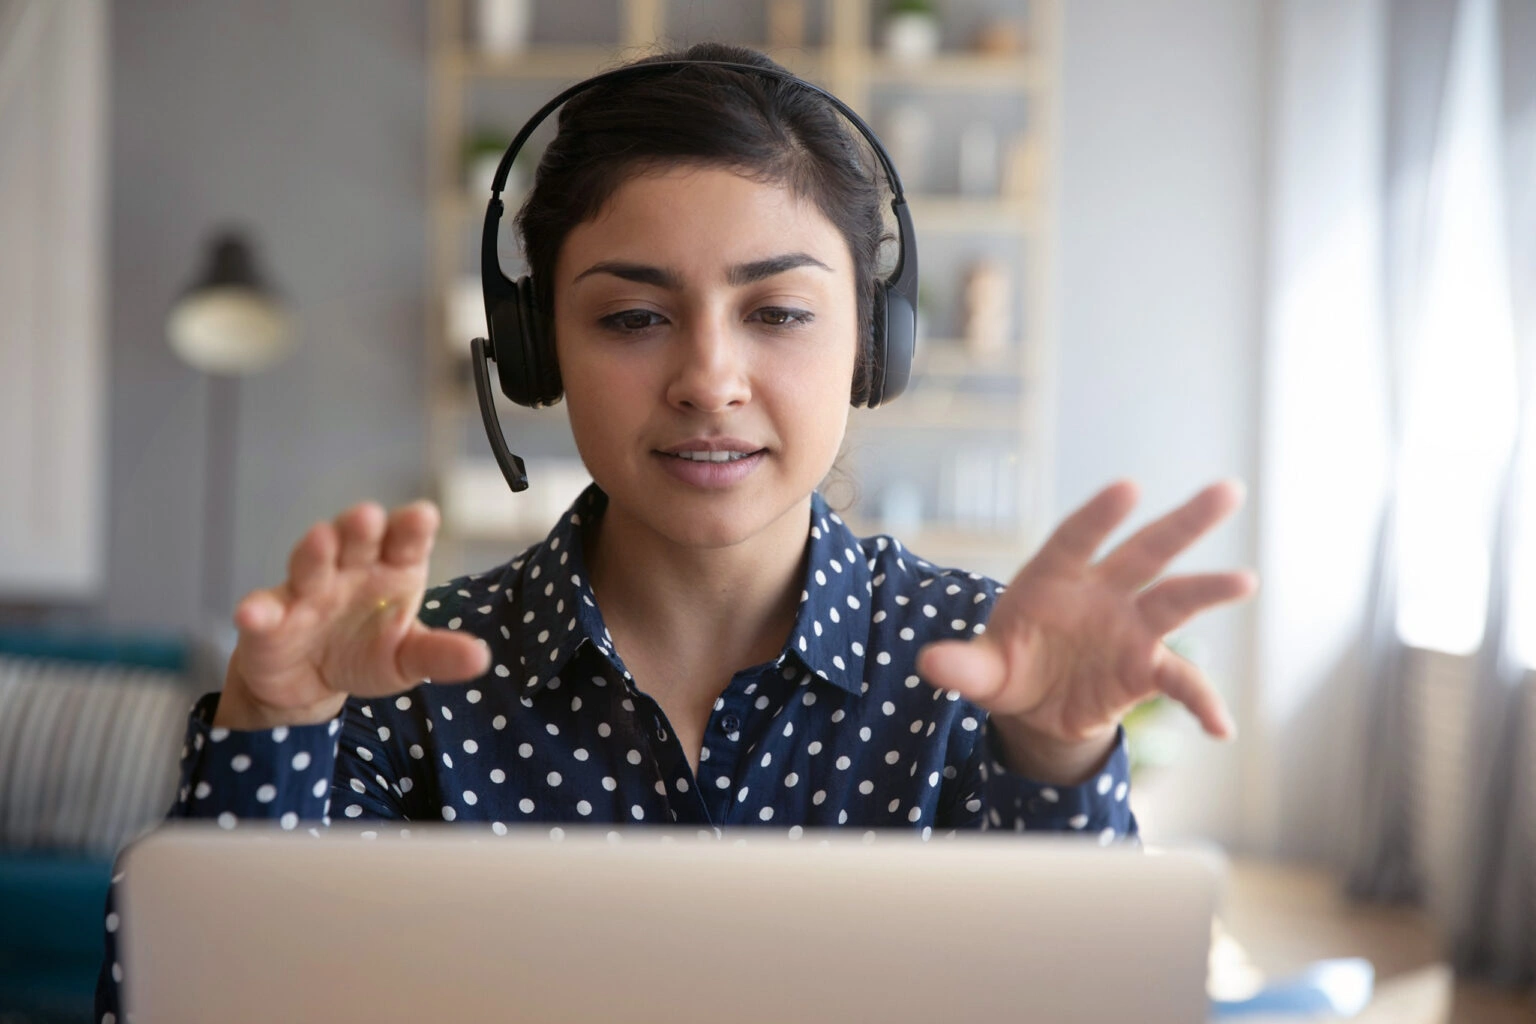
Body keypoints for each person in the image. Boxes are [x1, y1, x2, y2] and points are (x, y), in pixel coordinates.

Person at [94, 41, 1256, 1021]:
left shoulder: (983, 671)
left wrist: (1053, 760)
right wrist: (271, 732)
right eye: (634, 315)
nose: (709, 377)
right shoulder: (401, 679)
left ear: (873, 345)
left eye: (780, 312)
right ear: (540, 352)